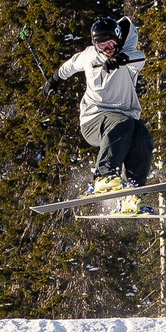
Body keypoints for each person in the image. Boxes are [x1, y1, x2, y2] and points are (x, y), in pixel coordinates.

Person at [55, 15, 151, 215]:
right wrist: (54, 80)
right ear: (95, 45)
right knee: (123, 123)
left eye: (111, 44)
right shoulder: (90, 56)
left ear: (117, 40)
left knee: (142, 133)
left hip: (124, 121)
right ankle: (104, 176)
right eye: (102, 46)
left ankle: (132, 194)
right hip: (93, 120)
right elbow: (70, 65)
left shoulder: (128, 57)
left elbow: (139, 58)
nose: (107, 50)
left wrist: (120, 60)